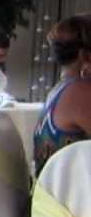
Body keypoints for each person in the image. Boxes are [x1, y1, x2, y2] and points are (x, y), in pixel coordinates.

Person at [33, 15, 91, 178]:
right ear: (85, 56)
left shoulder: (60, 89)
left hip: (52, 192)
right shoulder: (79, 92)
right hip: (66, 194)